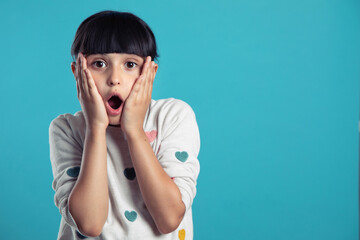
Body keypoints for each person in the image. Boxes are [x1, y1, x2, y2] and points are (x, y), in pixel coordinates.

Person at [49, 10, 200, 240]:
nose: (114, 78)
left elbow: (169, 218)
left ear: (150, 72)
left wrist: (135, 131)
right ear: (77, 72)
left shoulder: (173, 116)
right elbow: (89, 224)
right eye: (99, 64)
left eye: (130, 64)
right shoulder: (67, 129)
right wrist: (95, 128)